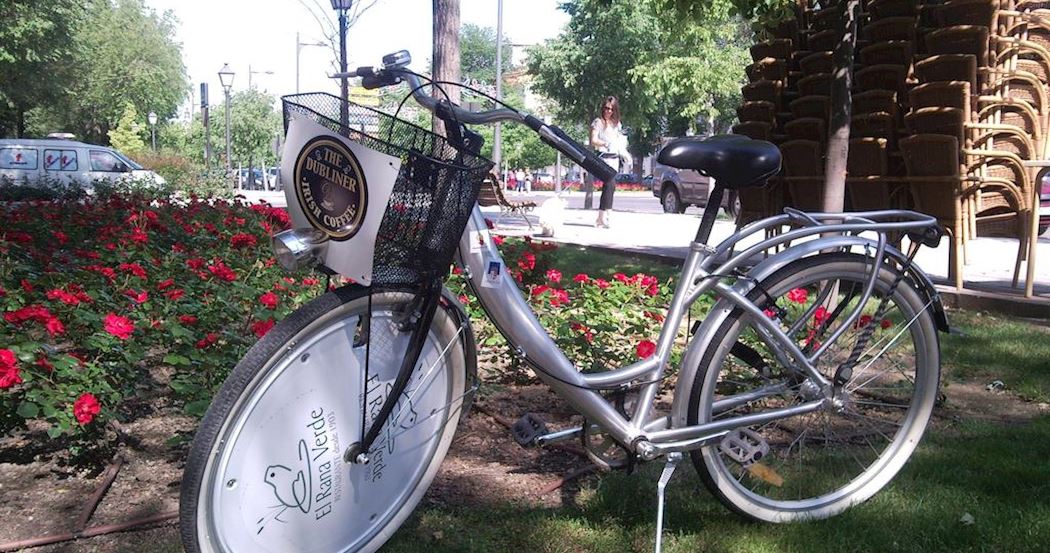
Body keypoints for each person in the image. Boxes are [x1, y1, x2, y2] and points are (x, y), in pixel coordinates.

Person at [590, 95, 630, 228]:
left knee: (610, 187)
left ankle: (601, 217)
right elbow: (593, 140)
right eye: (606, 108)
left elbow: (620, 141)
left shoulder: (617, 124)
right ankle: (605, 215)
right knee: (610, 183)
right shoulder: (598, 122)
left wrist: (624, 153)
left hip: (615, 158)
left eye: (611, 109)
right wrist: (605, 143)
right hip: (603, 157)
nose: (608, 111)